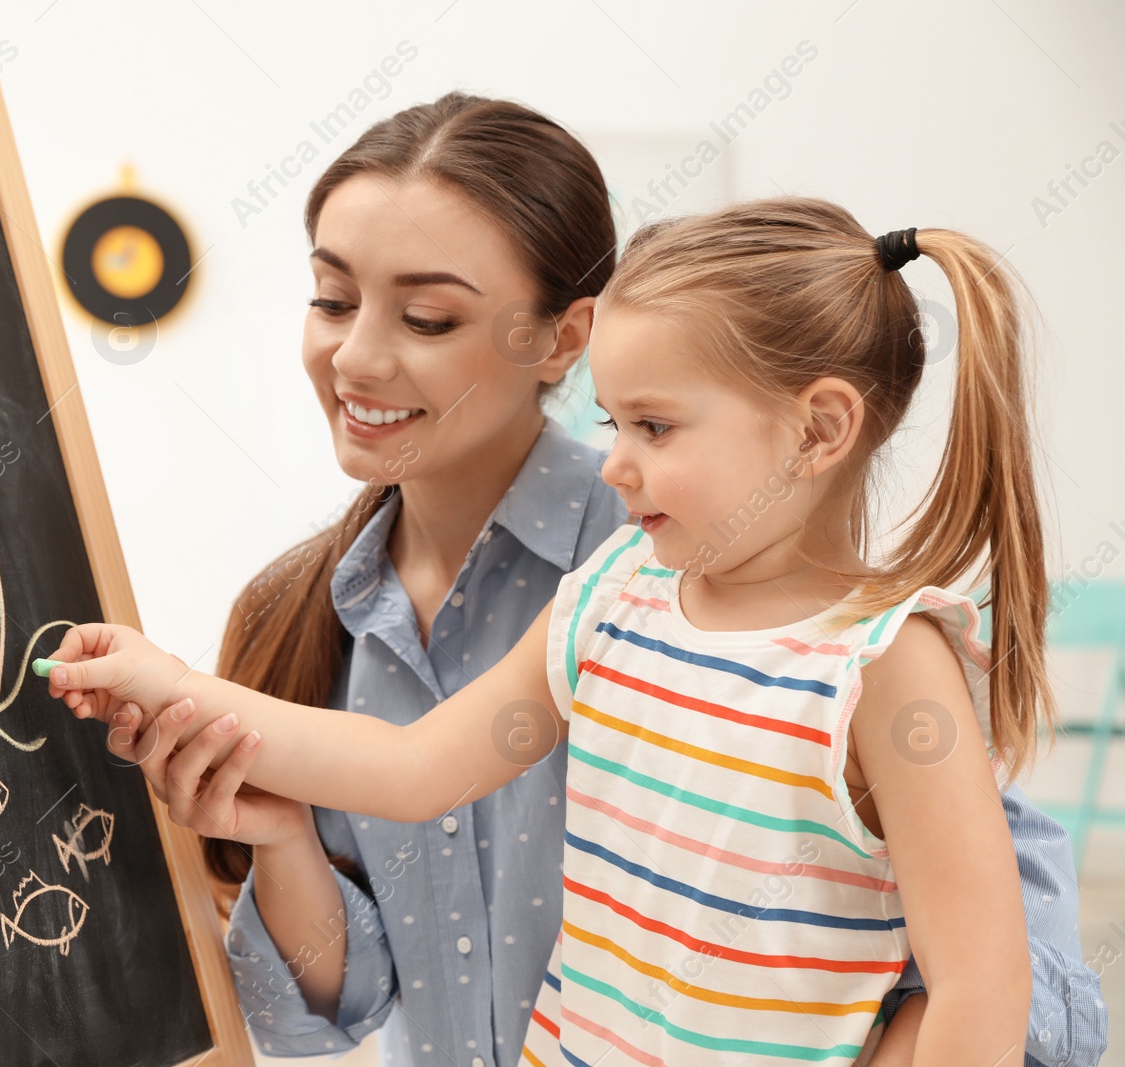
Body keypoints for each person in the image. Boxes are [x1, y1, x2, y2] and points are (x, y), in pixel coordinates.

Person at [65, 160, 1106, 1064]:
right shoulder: (614, 595)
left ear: (819, 428)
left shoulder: (885, 666)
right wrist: (184, 688)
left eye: (654, 424)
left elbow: (980, 987)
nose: (614, 461)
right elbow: (413, 764)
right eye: (611, 419)